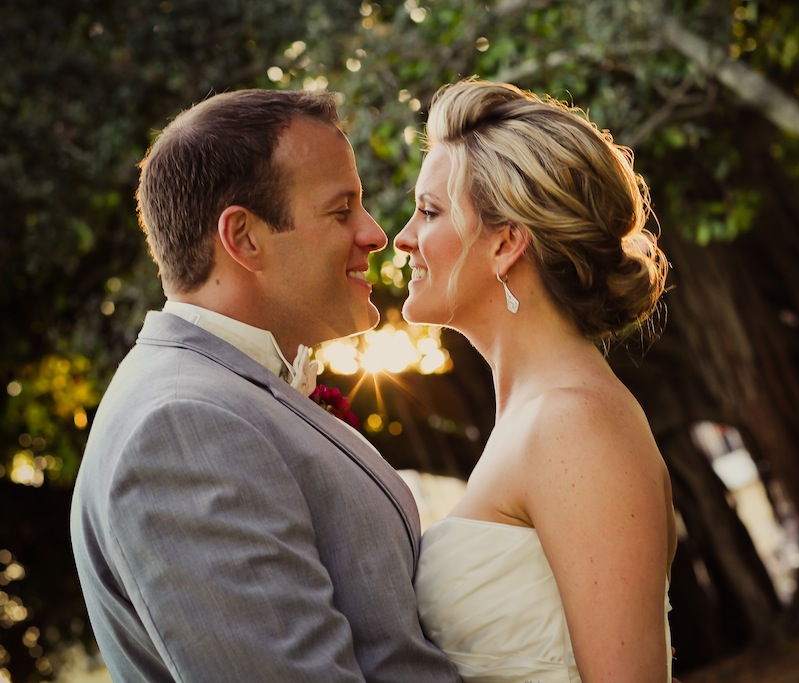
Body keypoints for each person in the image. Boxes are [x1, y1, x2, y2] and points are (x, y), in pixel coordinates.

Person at [70, 89, 461, 682]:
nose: (376, 234)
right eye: (341, 210)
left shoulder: (228, 394)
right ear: (244, 238)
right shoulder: (181, 426)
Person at [396, 79, 677, 682]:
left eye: (429, 211)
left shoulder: (574, 425)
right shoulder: (531, 417)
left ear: (506, 243)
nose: (403, 238)